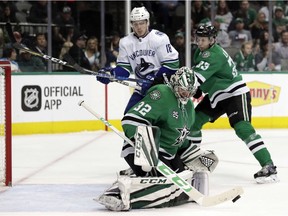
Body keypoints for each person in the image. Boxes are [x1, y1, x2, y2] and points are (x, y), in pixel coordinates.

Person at [96, 67, 218, 211]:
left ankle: (136, 175)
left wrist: (192, 152)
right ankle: (119, 194)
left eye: (189, 92)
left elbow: (179, 138)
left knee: (184, 178)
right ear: (174, 84)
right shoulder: (162, 94)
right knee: (167, 184)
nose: (186, 95)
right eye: (183, 90)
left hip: (167, 153)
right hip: (142, 151)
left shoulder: (189, 106)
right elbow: (130, 120)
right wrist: (145, 144)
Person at [190, 24, 279, 184]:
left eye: (203, 40)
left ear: (212, 40)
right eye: (198, 39)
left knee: (243, 128)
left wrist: (194, 87)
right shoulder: (200, 52)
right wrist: (198, 88)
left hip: (234, 93)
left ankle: (269, 166)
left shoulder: (213, 54)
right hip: (217, 95)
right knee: (193, 122)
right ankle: (192, 161)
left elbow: (195, 78)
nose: (200, 43)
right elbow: (206, 76)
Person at [96, 6, 179, 114]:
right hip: (141, 88)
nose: (139, 27)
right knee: (128, 118)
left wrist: (154, 78)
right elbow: (124, 70)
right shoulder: (125, 42)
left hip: (162, 87)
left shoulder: (159, 38)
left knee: (158, 120)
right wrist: (111, 74)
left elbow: (172, 65)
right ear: (131, 25)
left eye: (142, 23)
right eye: (136, 24)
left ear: (147, 22)